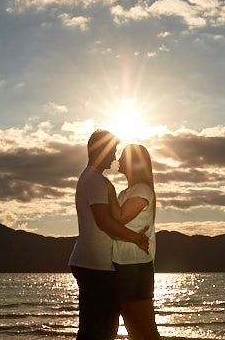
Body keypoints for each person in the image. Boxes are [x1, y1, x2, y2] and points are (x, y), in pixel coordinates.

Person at [70, 130, 150, 340]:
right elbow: (104, 221)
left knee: (95, 328)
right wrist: (136, 238)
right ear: (100, 151)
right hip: (96, 265)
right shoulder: (95, 180)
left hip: (91, 262)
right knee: (101, 330)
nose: (115, 157)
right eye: (112, 151)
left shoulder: (91, 178)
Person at [109, 144, 161, 340]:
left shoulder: (143, 190)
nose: (119, 160)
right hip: (122, 265)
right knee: (134, 330)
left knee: (146, 330)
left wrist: (106, 192)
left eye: (123, 157)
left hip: (136, 266)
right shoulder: (125, 193)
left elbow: (118, 219)